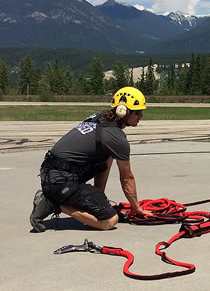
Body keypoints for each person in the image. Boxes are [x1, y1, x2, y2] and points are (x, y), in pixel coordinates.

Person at [29, 86, 150, 233]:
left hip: (53, 173)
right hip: (61, 181)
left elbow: (104, 163)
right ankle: (52, 203)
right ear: (123, 111)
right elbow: (127, 178)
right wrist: (136, 207)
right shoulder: (116, 138)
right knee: (109, 221)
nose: (141, 116)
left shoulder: (100, 118)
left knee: (107, 156)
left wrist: (99, 198)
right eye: (138, 112)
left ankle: (61, 197)